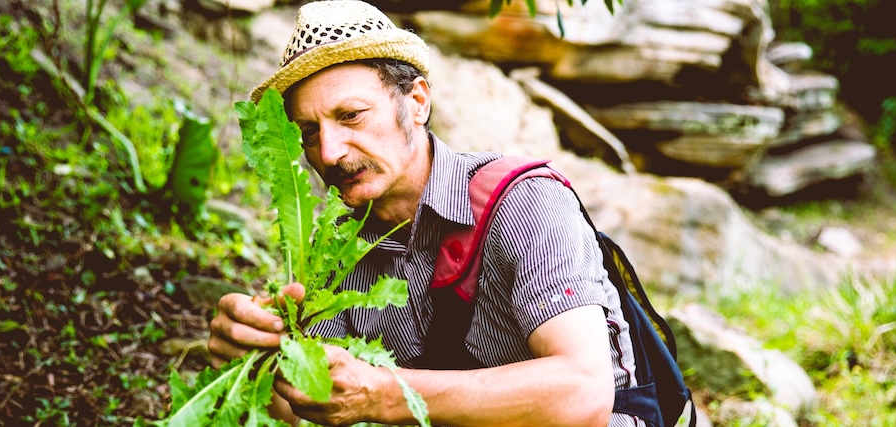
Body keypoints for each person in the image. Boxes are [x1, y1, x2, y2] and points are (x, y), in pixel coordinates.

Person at [208, 1, 641, 426]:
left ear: (417, 102)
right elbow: (304, 406)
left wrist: (383, 394)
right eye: (309, 132)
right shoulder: (337, 255)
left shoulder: (524, 204)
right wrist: (259, 358)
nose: (329, 152)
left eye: (351, 116)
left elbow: (583, 393)